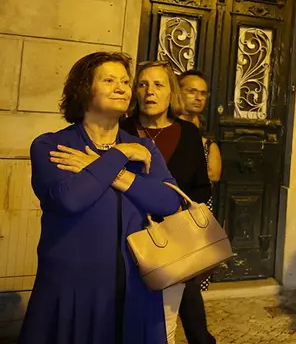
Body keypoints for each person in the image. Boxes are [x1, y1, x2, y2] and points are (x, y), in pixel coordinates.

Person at [19, 51, 182, 344]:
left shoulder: (143, 148)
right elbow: (68, 200)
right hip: (72, 289)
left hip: (135, 286)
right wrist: (119, 155)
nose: (121, 87)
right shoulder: (51, 145)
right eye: (109, 80)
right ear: (84, 89)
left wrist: (112, 172)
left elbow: (169, 202)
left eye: (124, 81)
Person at [121, 61, 215, 344]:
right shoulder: (121, 129)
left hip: (174, 237)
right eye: (142, 84)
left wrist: (179, 215)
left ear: (170, 93)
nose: (150, 92)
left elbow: (201, 186)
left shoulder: (187, 133)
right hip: (127, 235)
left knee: (178, 310)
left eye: (158, 85)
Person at [179, 69, 222, 294]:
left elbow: (213, 176)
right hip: (167, 210)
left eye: (203, 93)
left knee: (193, 275)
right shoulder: (164, 127)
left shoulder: (206, 139)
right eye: (191, 91)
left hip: (195, 208)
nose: (198, 97)